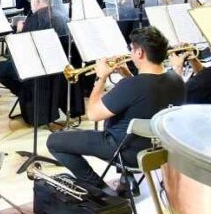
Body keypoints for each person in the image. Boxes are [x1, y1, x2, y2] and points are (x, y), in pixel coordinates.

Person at [46, 27, 185, 188]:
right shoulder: (177, 80)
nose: (130, 54)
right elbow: (146, 96)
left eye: (131, 49)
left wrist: (101, 77)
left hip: (125, 151)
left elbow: (93, 114)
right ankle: (126, 181)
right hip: (160, 151)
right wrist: (127, 74)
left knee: (54, 141)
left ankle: (98, 189)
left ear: (139, 53)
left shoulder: (130, 86)